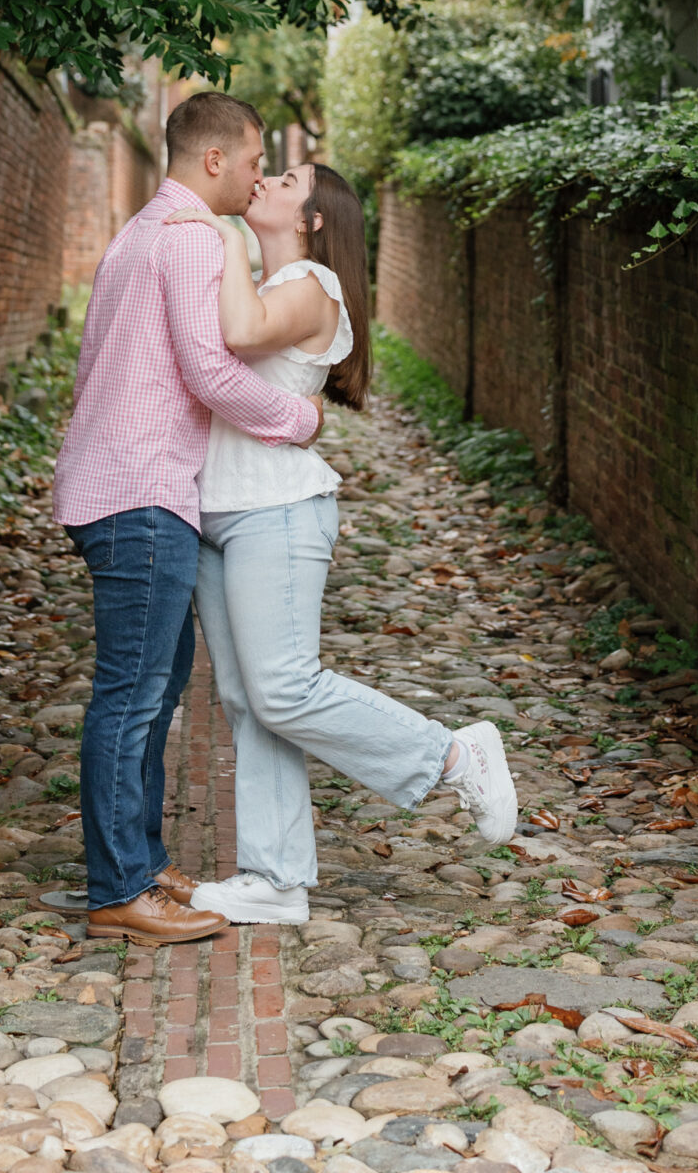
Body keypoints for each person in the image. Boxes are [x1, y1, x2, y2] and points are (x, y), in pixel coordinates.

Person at [166, 159, 518, 925]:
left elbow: (238, 335)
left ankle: (454, 755)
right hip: (215, 511)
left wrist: (220, 232)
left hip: (277, 512)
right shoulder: (262, 281)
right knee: (249, 703)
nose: (265, 181)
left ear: (313, 220)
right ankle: (276, 878)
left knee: (286, 686)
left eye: (285, 179)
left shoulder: (313, 290)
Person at [53, 92, 326, 945]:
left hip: (125, 487)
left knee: (155, 690)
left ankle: (141, 863)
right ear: (215, 160)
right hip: (141, 494)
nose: (255, 181)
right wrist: (298, 420)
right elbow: (210, 370)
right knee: (132, 698)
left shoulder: (138, 233)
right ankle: (117, 890)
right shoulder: (191, 238)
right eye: (251, 163)